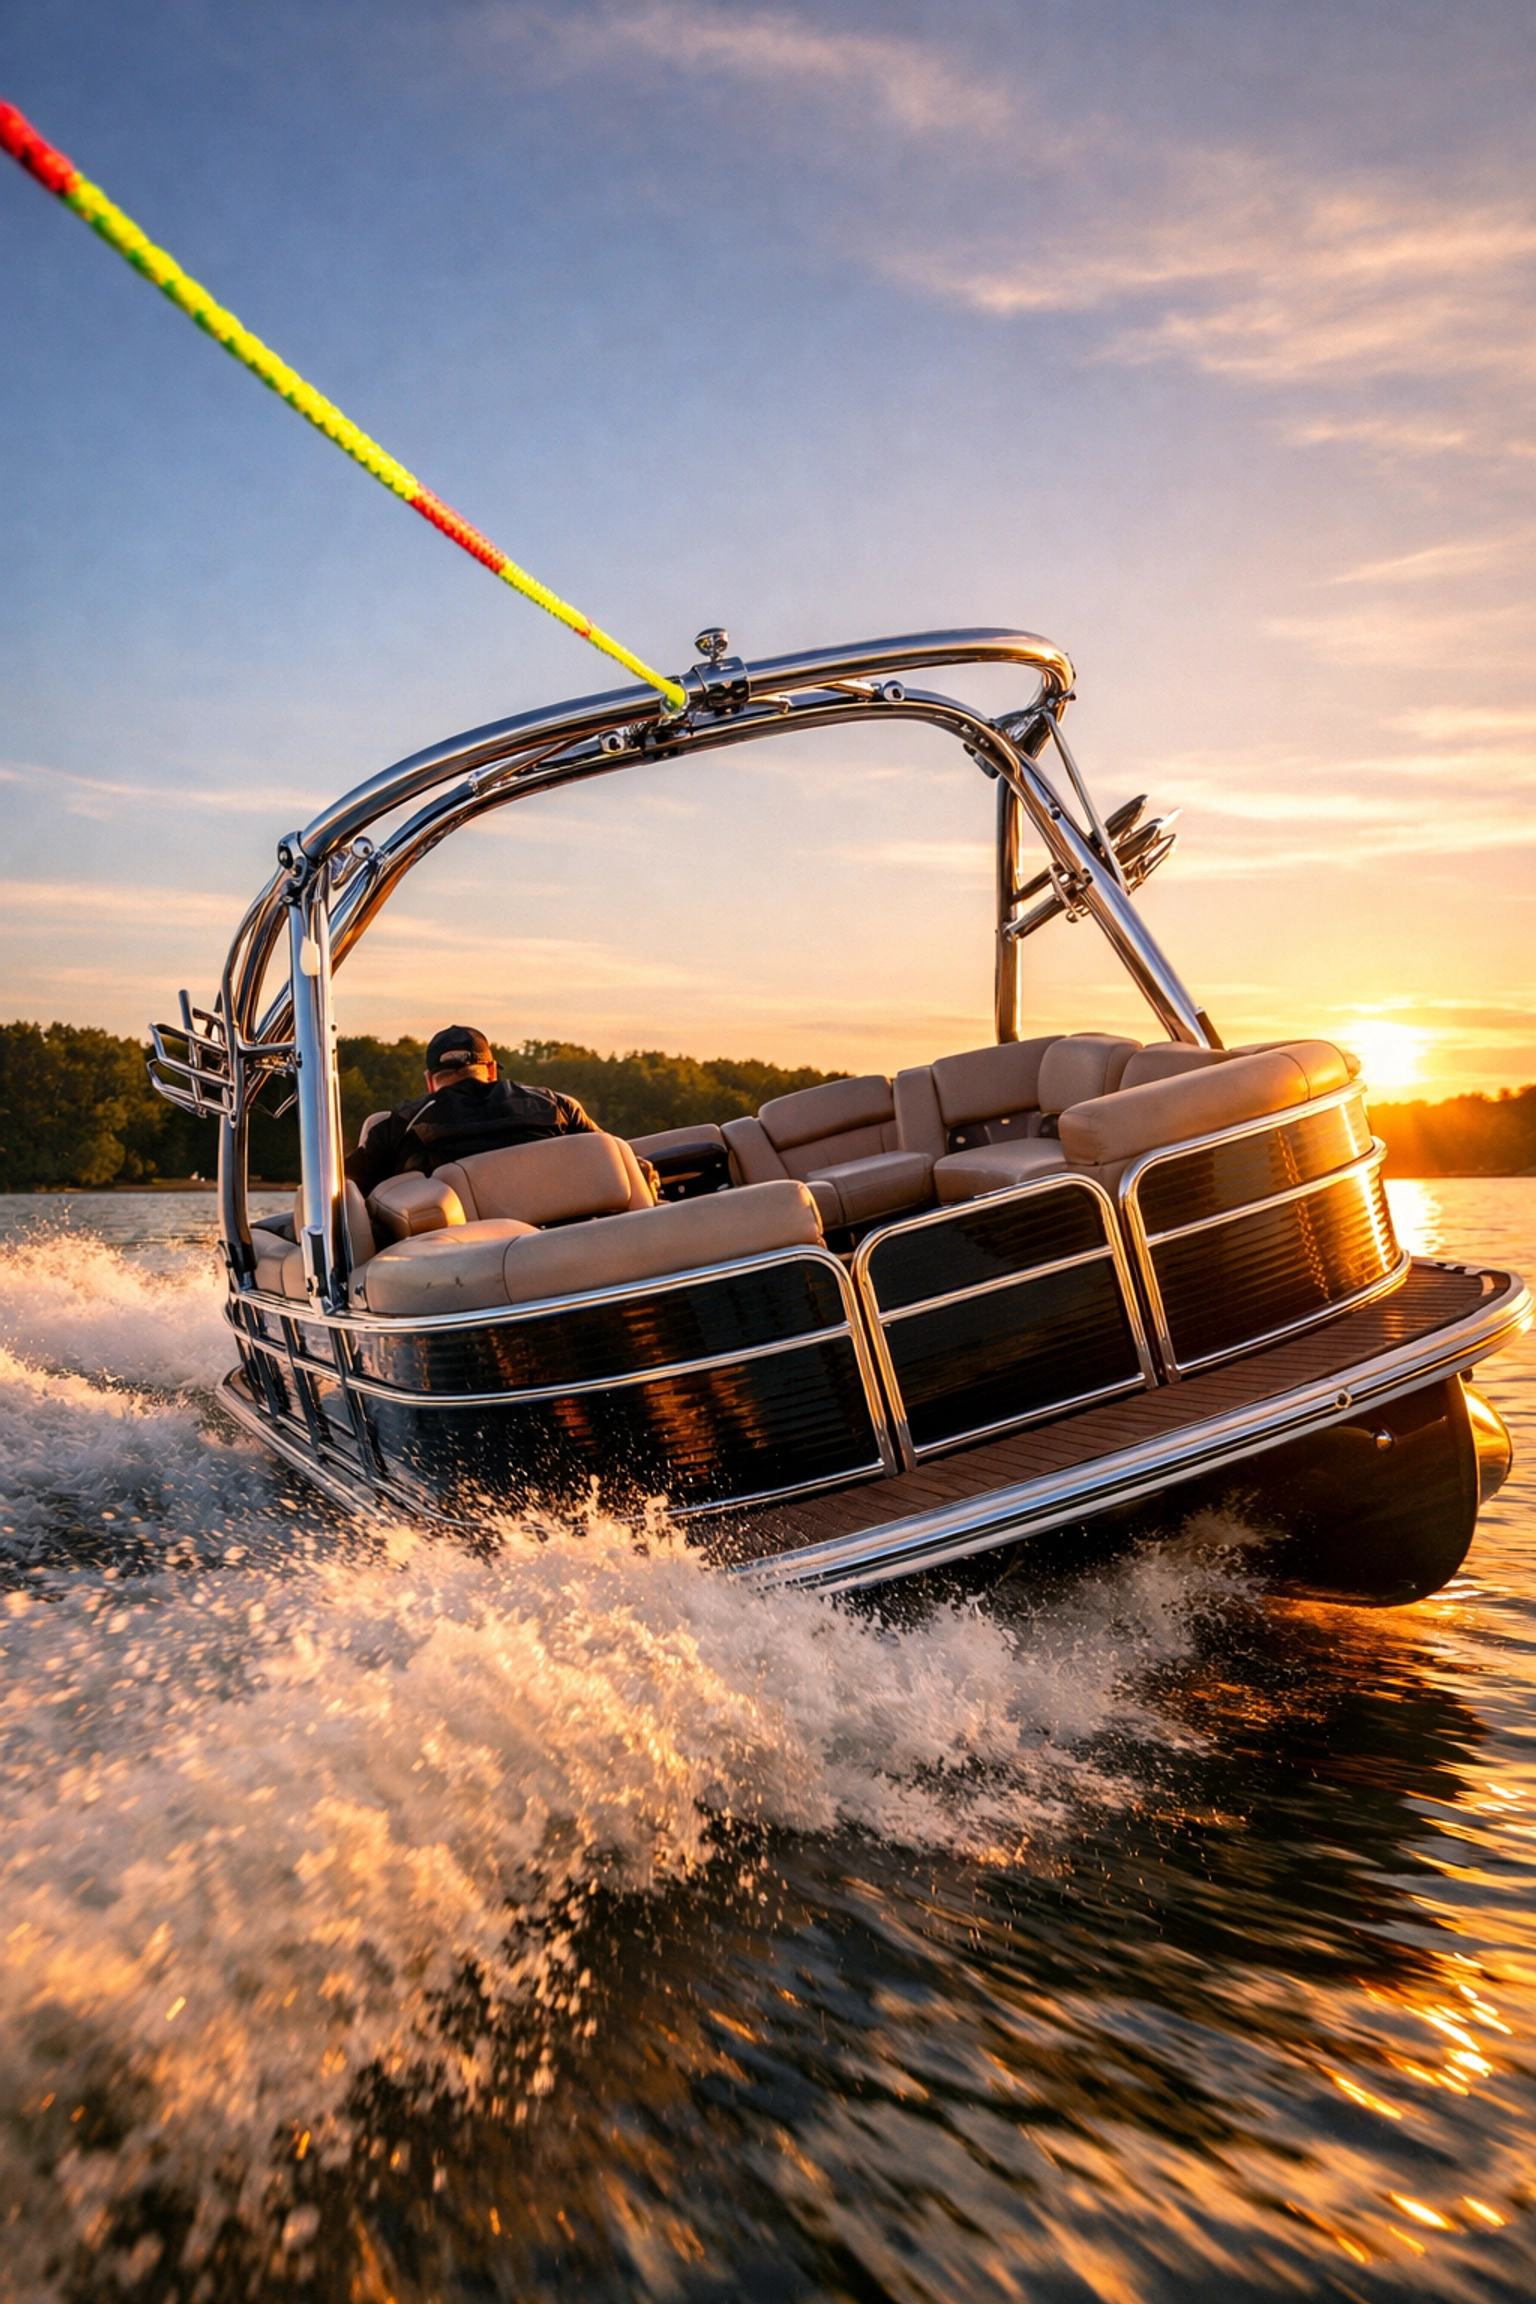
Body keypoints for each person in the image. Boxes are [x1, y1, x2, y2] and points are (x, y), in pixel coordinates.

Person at [345, 1026, 598, 1197]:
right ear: (490, 1070)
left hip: (450, 1259)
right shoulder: (555, 1105)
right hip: (558, 1243)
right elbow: (606, 1157)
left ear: (430, 1081)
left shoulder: (399, 1125)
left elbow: (346, 1187)